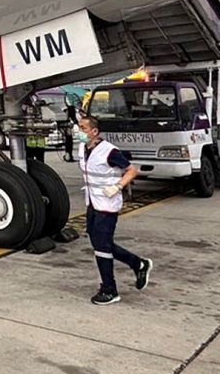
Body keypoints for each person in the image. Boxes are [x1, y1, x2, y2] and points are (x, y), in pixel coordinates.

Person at [75, 115, 152, 304]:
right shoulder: (83, 149)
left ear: (95, 132)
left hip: (107, 205)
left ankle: (109, 289)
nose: (79, 131)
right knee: (99, 242)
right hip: (92, 202)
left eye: (84, 128)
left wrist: (118, 186)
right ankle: (138, 264)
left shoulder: (109, 151)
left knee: (102, 246)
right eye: (79, 127)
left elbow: (132, 170)